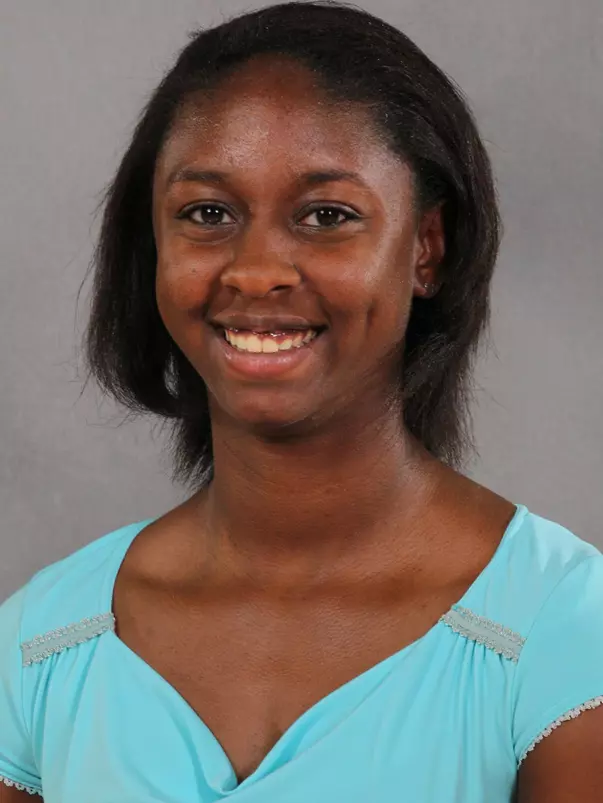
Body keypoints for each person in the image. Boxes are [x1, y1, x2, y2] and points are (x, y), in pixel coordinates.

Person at [1, 1, 602, 800]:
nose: (255, 271)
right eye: (207, 214)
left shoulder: (559, 634)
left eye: (326, 216)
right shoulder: (44, 641)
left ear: (425, 249)